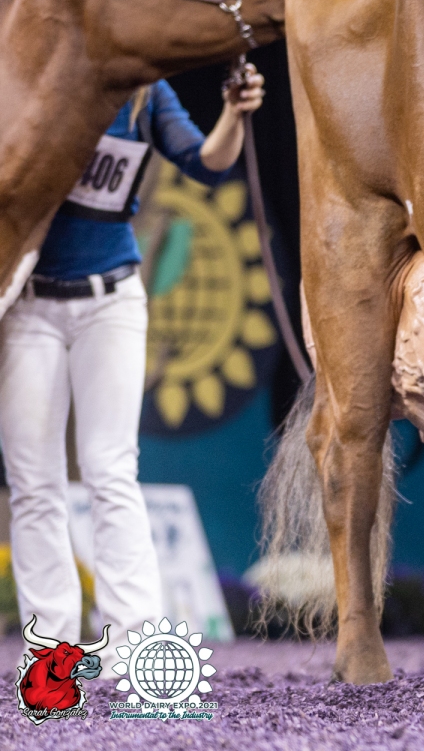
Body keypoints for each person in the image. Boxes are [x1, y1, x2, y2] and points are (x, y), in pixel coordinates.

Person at [0, 66, 264, 640]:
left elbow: (207, 162)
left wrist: (234, 114)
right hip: (28, 305)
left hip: (112, 299)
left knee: (111, 470)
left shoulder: (144, 91)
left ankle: (132, 641)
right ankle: (51, 649)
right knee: (33, 482)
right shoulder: (29, 77)